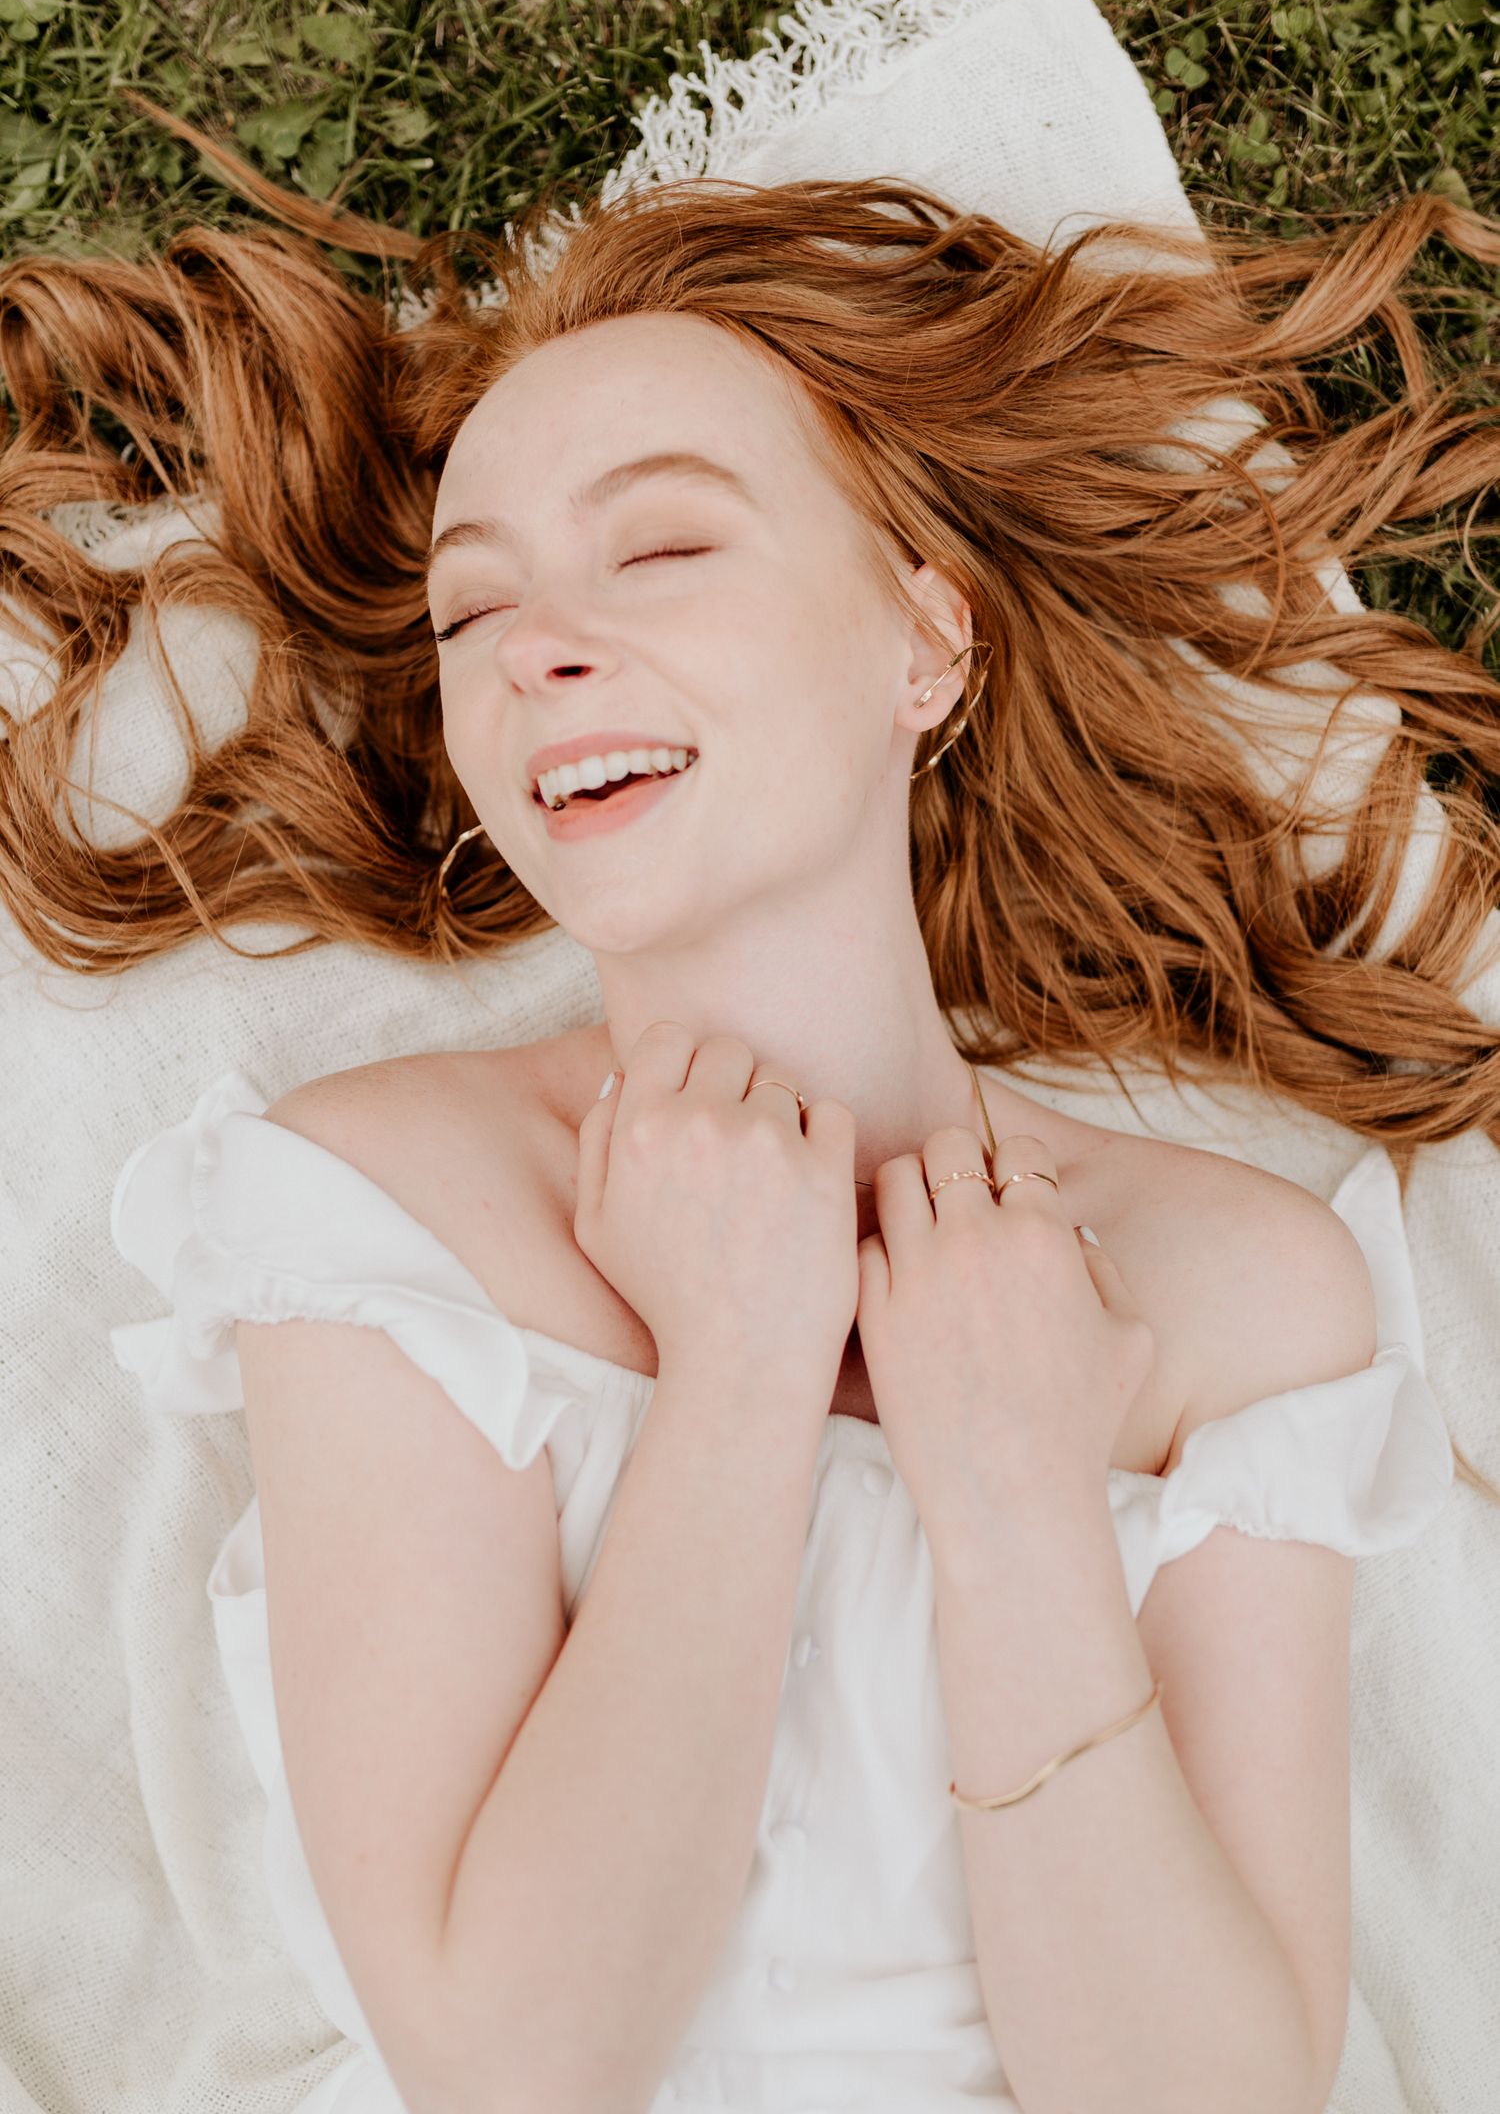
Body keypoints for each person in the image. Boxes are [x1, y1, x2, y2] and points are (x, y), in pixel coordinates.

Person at [8, 138, 1499, 2114]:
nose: (535, 648)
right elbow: (517, 2067)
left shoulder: (1239, 1292)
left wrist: (1015, 1496)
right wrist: (736, 1379)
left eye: (661, 550)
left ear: (924, 643)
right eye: (473, 608)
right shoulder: (384, 1208)